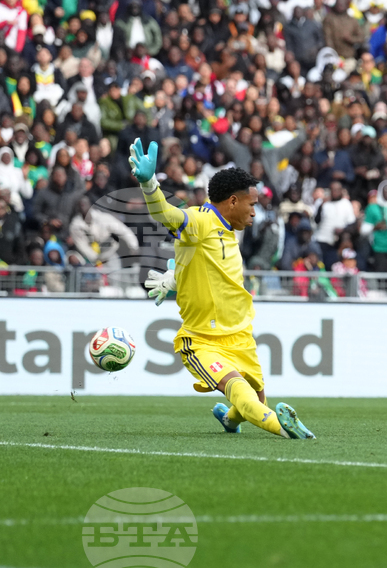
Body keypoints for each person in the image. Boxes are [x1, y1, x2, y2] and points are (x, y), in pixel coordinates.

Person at [129, 138, 315, 439]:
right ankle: (283, 428)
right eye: (252, 205)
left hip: (240, 336)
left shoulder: (227, 231)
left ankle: (229, 420)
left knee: (254, 402)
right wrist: (150, 184)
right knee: (240, 390)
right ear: (232, 201)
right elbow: (166, 214)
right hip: (203, 339)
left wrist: (176, 277)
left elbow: (202, 265)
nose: (255, 212)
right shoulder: (200, 220)